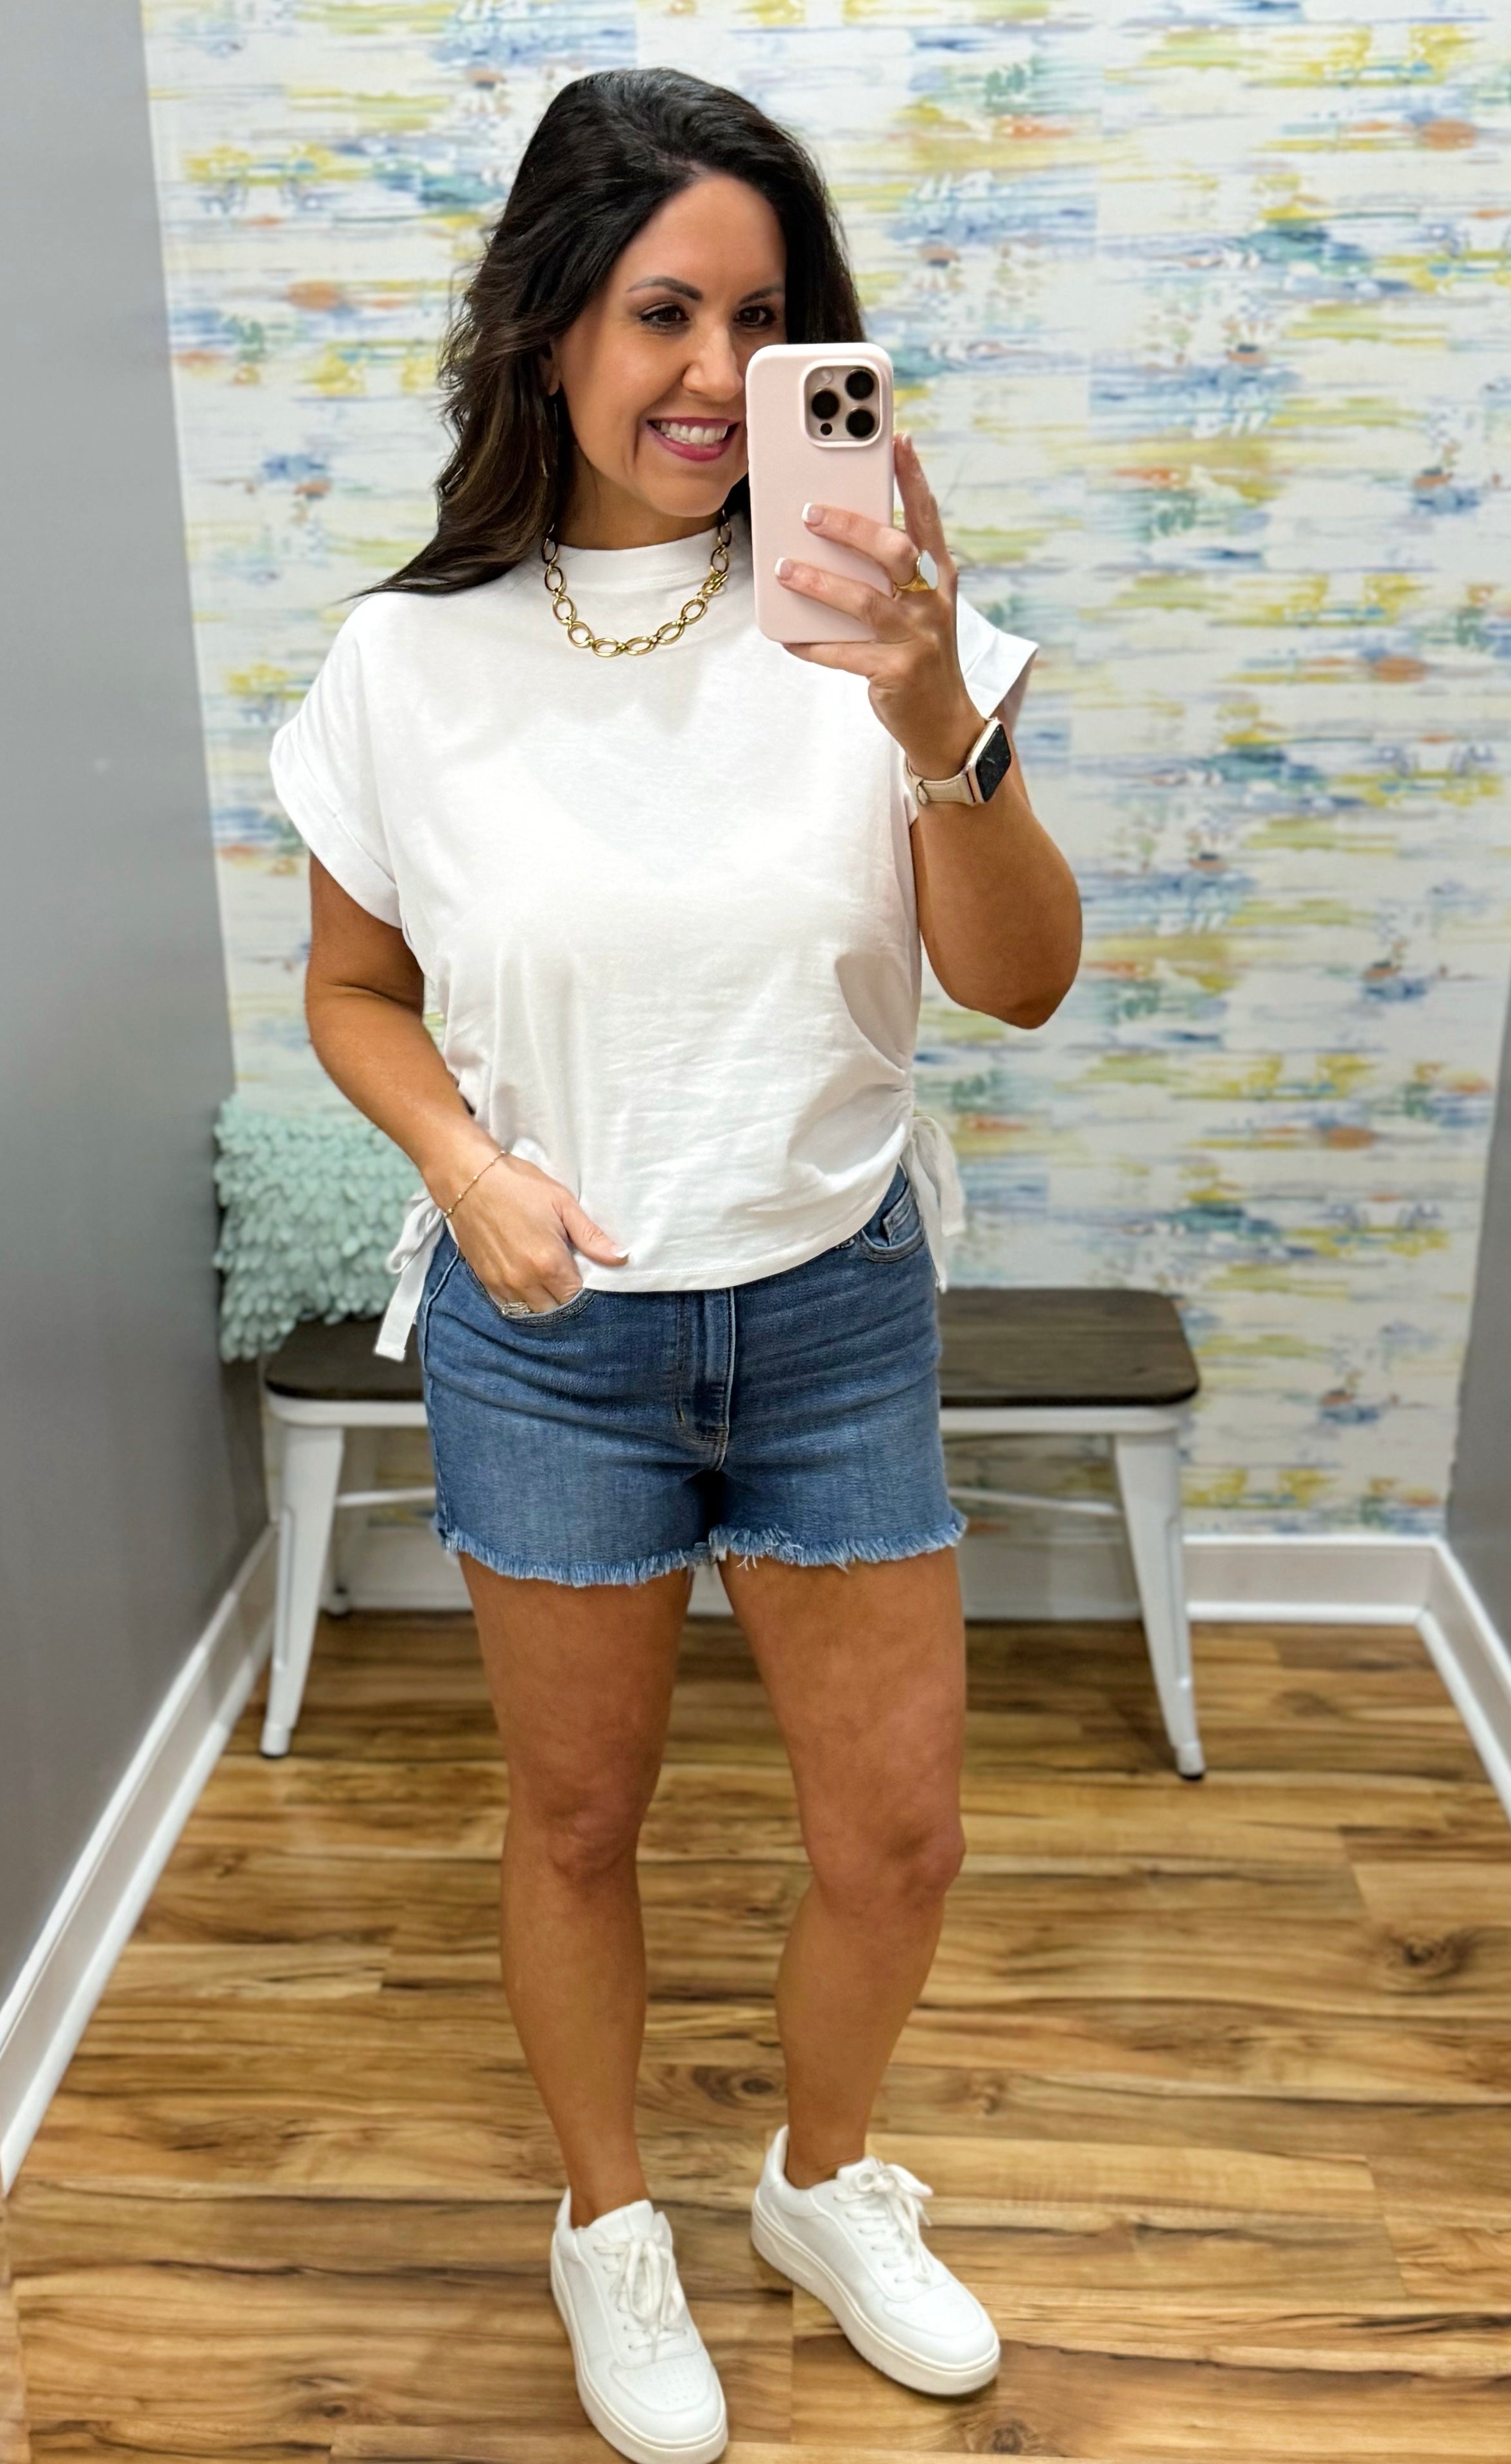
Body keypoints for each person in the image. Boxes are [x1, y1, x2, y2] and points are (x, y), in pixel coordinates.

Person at [271, 65, 1081, 2464]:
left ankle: (826, 2183)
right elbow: (350, 991)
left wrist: (940, 715)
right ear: (548, 331)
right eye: (660, 313)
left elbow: (1020, 977)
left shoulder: (885, 633)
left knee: (897, 1831)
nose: (719, 376)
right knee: (576, 1823)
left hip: (831, 1301)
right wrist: (468, 1165)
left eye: (763, 317)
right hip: (552, 1332)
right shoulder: (407, 667)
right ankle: (610, 2223)